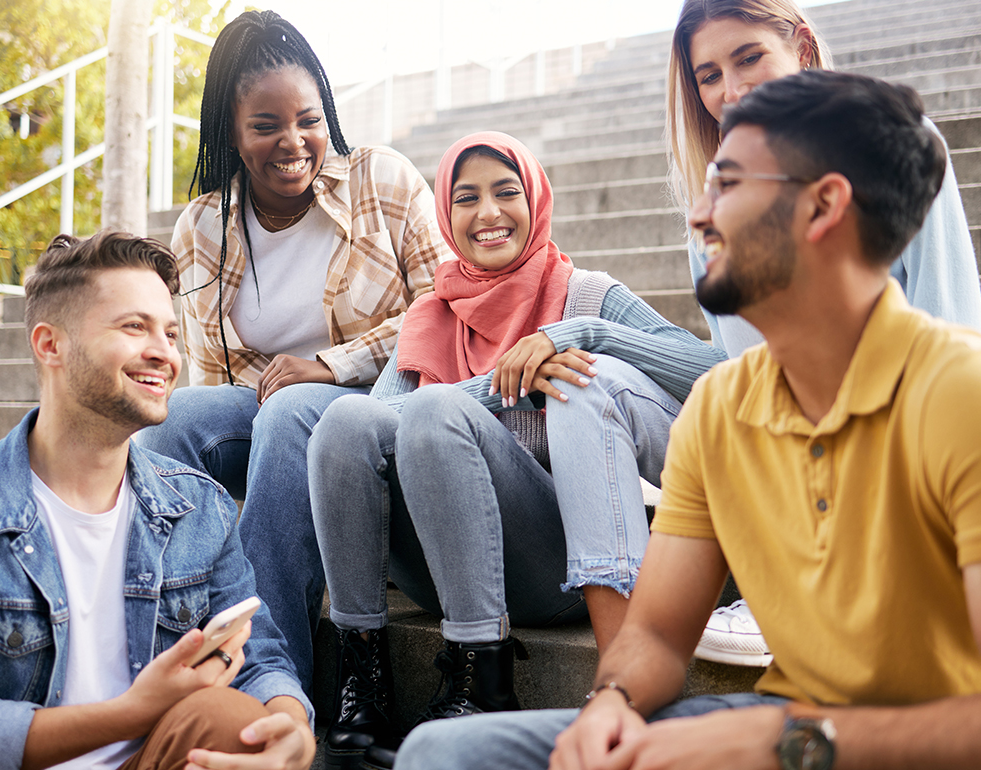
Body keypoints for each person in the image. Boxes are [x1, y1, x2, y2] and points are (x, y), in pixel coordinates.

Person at [395, 70, 981, 770]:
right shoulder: (720, 409)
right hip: (777, 719)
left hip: (897, 742)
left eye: (729, 184)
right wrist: (612, 700)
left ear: (824, 206)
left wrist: (787, 743)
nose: (700, 215)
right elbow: (660, 639)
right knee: (443, 753)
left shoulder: (959, 395)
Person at [308, 132, 726, 770]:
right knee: (346, 419)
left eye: (507, 192)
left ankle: (483, 679)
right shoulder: (431, 313)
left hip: (546, 559)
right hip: (443, 566)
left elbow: (710, 367)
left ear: (535, 198)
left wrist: (583, 335)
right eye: (466, 198)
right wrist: (507, 387)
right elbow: (378, 416)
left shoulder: (584, 294)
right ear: (446, 217)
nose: (488, 213)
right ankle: (359, 678)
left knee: (434, 405)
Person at [0, 232, 315, 770]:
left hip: (148, 758)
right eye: (134, 326)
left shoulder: (200, 507)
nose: (164, 353)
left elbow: (258, 654)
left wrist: (292, 722)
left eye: (170, 333)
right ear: (49, 344)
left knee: (235, 723)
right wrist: (130, 713)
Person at [136, 10, 450, 698]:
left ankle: (266, 686)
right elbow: (212, 379)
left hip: (379, 414)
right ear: (230, 131)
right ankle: (163, 643)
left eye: (307, 119)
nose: (293, 142)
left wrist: (332, 365)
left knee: (290, 414)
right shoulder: (203, 226)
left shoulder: (383, 182)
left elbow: (448, 310)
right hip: (271, 422)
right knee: (174, 420)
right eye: (266, 125)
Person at [665, 0, 981, 665]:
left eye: (749, 57)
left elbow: (950, 310)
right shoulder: (715, 207)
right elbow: (756, 370)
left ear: (802, 47)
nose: (732, 90)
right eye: (709, 75)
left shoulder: (896, 145)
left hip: (915, 434)